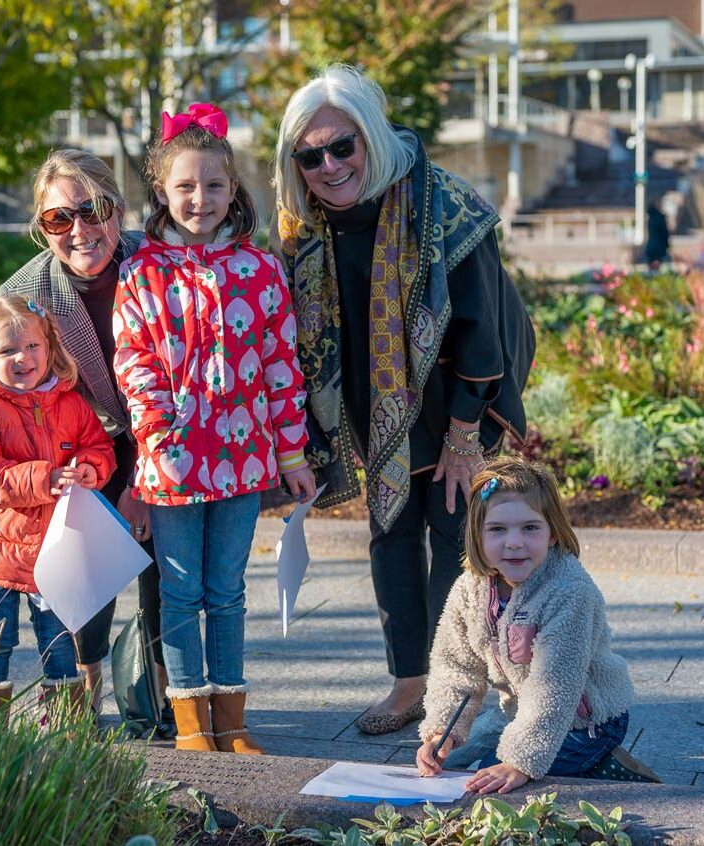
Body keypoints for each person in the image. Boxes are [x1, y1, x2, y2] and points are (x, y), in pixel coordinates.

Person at [273, 65, 535, 733]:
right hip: (371, 410)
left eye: (343, 146)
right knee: (389, 537)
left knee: (455, 538)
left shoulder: (443, 204)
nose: (329, 165)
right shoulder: (305, 230)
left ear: (372, 138)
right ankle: (408, 683)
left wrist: (463, 433)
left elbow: (482, 327)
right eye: (311, 155)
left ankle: (461, 685)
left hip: (454, 404)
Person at [0, 150, 171, 727]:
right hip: (77, 446)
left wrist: (144, 476)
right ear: (41, 229)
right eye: (58, 219)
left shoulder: (162, 264)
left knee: (167, 571)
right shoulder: (26, 292)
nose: (79, 229)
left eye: (93, 209)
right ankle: (82, 692)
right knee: (80, 566)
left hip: (167, 437)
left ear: (118, 208)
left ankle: (166, 694)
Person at [113, 103, 317, 754]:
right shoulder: (142, 273)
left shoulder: (259, 272)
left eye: (214, 185)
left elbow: (283, 364)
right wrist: (156, 439)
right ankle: (192, 723)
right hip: (170, 464)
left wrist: (291, 452)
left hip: (243, 462)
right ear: (162, 193)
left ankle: (232, 721)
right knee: (179, 591)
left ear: (235, 192)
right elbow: (135, 361)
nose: (200, 198)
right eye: (185, 186)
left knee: (227, 591)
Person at [416, 456, 660, 791]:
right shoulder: (469, 589)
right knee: (446, 761)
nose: (513, 542)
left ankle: (605, 767)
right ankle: (558, 761)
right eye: (497, 529)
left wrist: (519, 762)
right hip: (519, 710)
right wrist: (440, 731)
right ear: (477, 534)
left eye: (530, 528)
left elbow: (555, 687)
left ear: (553, 534)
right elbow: (455, 669)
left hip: (585, 720)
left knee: (487, 779)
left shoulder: (570, 592)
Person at [0, 295, 116, 724]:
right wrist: (45, 478)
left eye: (31, 347)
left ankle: (66, 728)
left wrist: (88, 470)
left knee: (59, 644)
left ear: (49, 347)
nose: (22, 358)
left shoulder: (70, 404)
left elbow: (99, 447)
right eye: (7, 351)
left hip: (52, 556)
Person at [644, 201, 670, 266]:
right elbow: (664, 232)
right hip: (659, 247)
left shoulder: (651, 218)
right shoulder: (659, 218)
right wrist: (666, 244)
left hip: (651, 246)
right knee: (657, 265)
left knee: (653, 266)